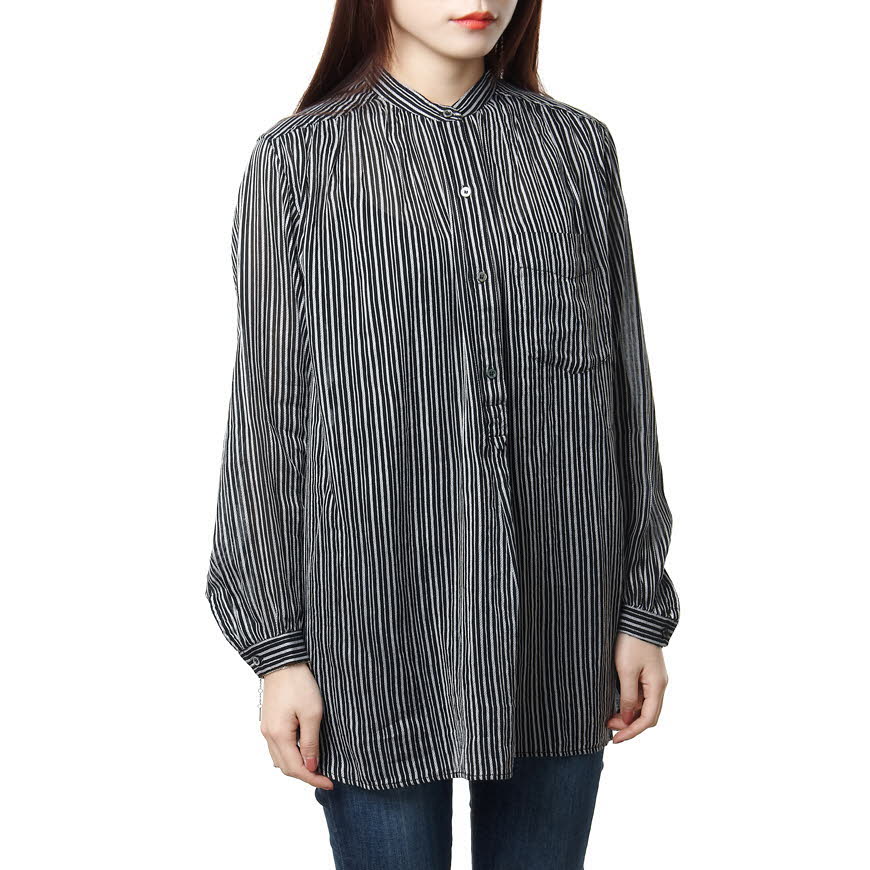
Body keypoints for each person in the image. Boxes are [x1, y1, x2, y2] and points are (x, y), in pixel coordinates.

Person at [204, 1, 680, 866]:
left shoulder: (578, 152)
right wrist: (276, 650)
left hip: (561, 622)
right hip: (372, 625)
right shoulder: (298, 163)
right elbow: (269, 421)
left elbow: (625, 391)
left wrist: (643, 607)